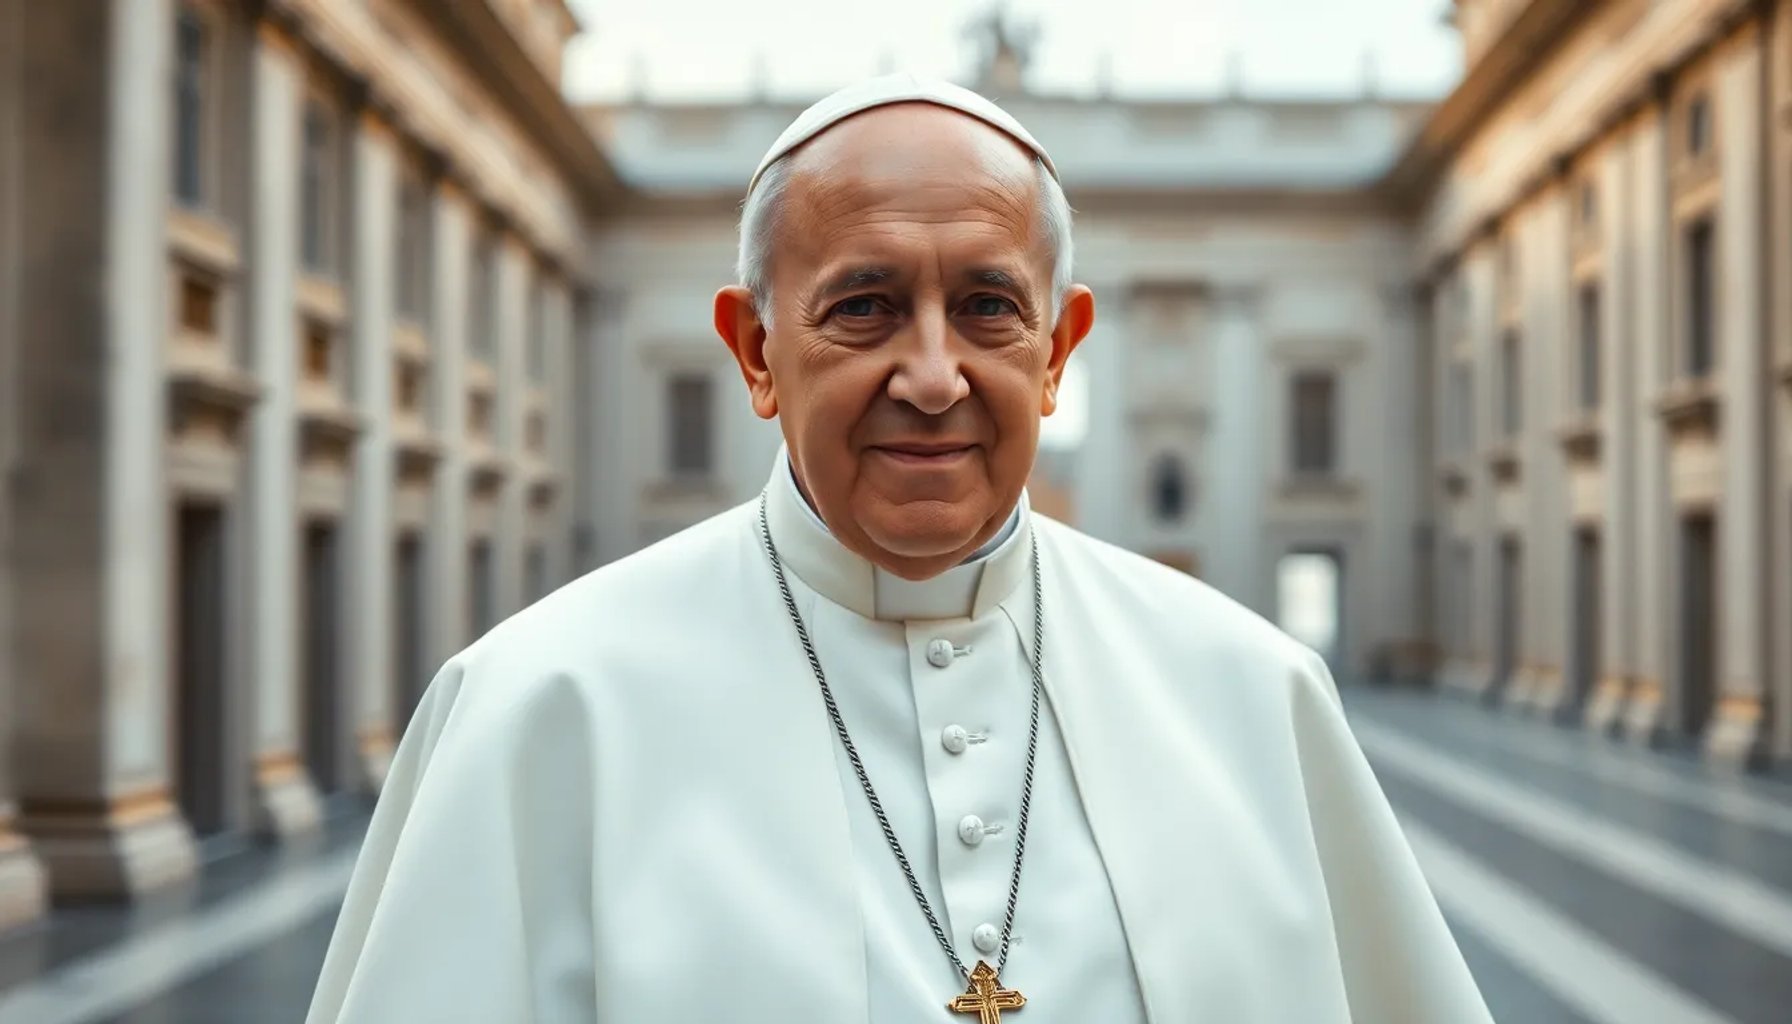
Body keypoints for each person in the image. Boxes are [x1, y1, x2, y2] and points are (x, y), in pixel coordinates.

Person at [307, 73, 1492, 1024]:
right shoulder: (535, 705)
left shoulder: (1250, 691)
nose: (933, 379)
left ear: (1058, 349)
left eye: (987, 306)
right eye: (863, 305)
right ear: (756, 351)